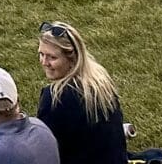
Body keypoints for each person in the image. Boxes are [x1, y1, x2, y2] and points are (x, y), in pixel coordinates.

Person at [34, 20, 130, 164]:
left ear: (72, 59)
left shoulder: (55, 98)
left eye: (52, 57)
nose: (44, 62)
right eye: (41, 54)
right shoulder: (101, 82)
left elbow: (43, 148)